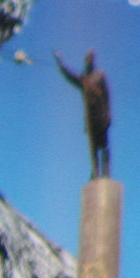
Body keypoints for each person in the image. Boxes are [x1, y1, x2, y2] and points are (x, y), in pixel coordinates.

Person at [54, 49, 112, 180]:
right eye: (87, 59)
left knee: (104, 146)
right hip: (90, 119)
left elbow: (107, 96)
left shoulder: (100, 75)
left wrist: (108, 115)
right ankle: (95, 173)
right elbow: (69, 76)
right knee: (93, 149)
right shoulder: (83, 79)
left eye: (91, 58)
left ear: (93, 60)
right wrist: (60, 62)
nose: (89, 61)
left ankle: (106, 173)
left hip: (101, 116)